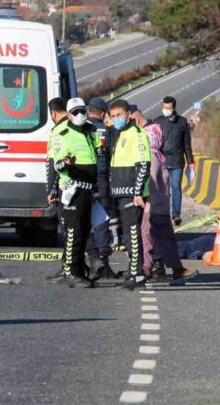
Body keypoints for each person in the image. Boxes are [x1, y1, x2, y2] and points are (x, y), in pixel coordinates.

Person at [45, 97, 103, 287]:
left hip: (88, 189)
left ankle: (78, 270)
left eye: (82, 111)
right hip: (73, 189)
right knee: (73, 232)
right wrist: (65, 164)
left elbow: (98, 153)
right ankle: (71, 272)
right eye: (76, 112)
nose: (81, 115)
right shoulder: (63, 133)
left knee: (84, 232)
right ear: (68, 115)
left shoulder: (89, 131)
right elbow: (57, 163)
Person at [137, 117, 199, 286]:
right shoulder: (153, 157)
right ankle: (151, 268)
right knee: (157, 237)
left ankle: (152, 267)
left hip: (159, 205)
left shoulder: (158, 155)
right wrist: (144, 198)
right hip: (155, 206)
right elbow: (151, 180)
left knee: (154, 236)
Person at [106, 98, 151, 290]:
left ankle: (137, 275)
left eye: (119, 115)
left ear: (128, 114)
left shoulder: (137, 134)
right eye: (113, 116)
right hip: (119, 192)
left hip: (131, 193)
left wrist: (138, 192)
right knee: (127, 235)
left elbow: (143, 165)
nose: (116, 119)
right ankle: (134, 272)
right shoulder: (118, 134)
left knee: (133, 234)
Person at [85, 96, 121, 279]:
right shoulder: (107, 131)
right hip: (103, 179)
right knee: (103, 218)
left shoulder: (82, 129)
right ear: (101, 113)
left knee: (85, 220)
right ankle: (103, 259)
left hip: (85, 177)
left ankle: (92, 260)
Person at [154, 96, 195, 227]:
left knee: (176, 186)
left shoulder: (182, 122)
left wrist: (191, 161)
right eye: (164, 107)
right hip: (163, 160)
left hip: (177, 160)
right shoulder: (158, 121)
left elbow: (187, 144)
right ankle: (163, 213)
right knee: (163, 188)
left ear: (174, 108)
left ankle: (176, 214)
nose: (166, 110)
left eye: (168, 108)